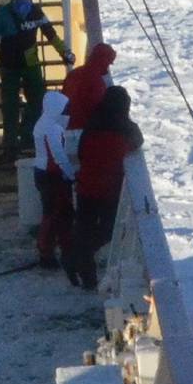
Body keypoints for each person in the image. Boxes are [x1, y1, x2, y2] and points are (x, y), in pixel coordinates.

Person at [0, 0, 66, 158]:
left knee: (38, 100)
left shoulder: (35, 12)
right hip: (10, 65)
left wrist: (64, 52)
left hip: (30, 64)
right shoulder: (4, 14)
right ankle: (11, 144)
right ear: (13, 3)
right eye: (19, 4)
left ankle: (26, 134)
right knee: (10, 106)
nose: (23, 8)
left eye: (25, 5)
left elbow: (50, 33)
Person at [65, 84, 140, 291]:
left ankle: (85, 274)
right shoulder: (125, 129)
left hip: (86, 187)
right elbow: (137, 141)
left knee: (83, 229)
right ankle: (77, 256)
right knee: (107, 231)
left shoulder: (92, 124)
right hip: (109, 190)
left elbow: (81, 153)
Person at [29, 90, 78, 268]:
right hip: (52, 177)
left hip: (42, 173)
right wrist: (71, 175)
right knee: (56, 214)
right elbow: (57, 155)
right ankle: (49, 250)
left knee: (51, 213)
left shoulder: (42, 124)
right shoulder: (53, 128)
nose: (67, 113)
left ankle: (47, 250)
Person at [61, 43, 118, 129]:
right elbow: (97, 108)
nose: (107, 68)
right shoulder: (97, 82)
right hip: (85, 128)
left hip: (67, 125)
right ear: (103, 61)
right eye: (108, 63)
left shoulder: (73, 74)